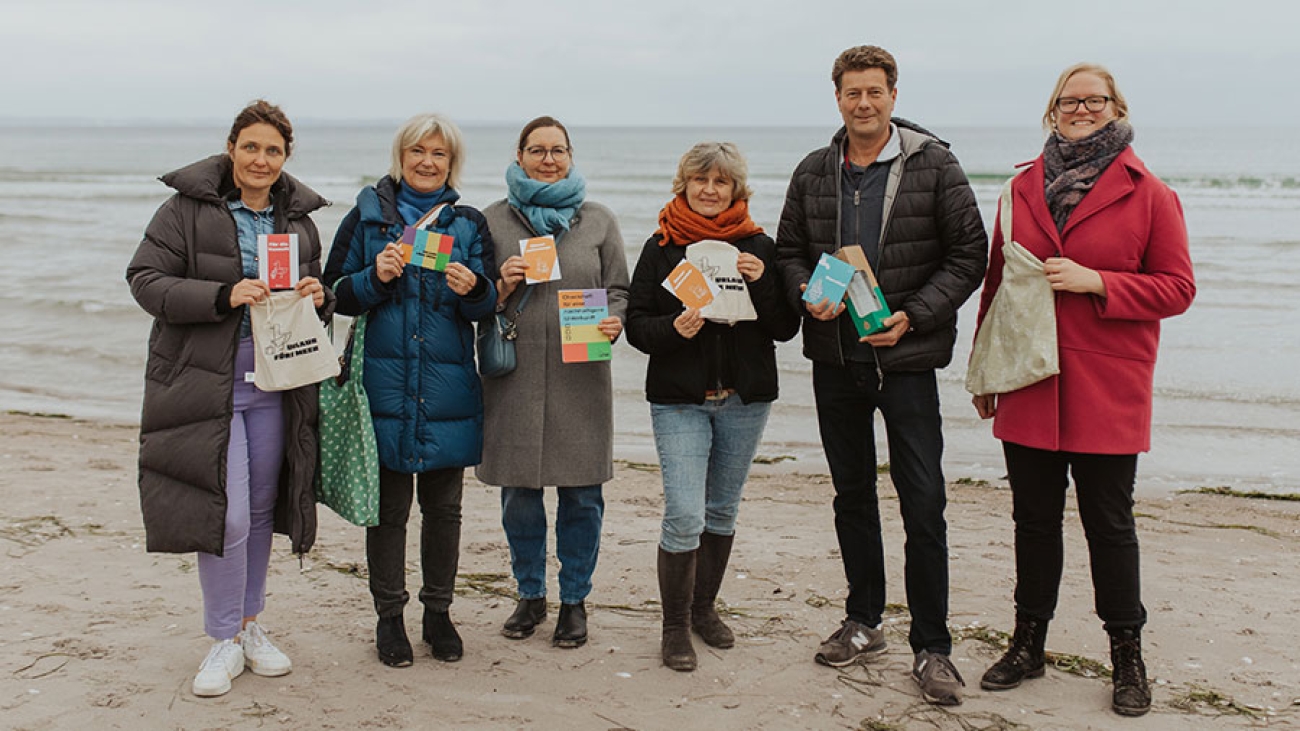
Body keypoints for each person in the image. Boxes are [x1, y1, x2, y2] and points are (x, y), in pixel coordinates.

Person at [972, 63, 1195, 717]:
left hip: (1108, 383)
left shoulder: (1150, 192)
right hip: (1029, 380)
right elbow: (997, 284)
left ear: (1115, 107)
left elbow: (1177, 288)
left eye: (1093, 100)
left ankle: (1127, 653)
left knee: (1110, 524)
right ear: (1052, 111)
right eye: (1068, 101)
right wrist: (985, 370)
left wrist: (1099, 282)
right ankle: (1027, 643)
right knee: (1033, 522)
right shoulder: (1019, 189)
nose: (1080, 109)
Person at [774, 45, 987, 706]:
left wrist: (914, 315)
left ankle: (934, 646)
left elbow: (969, 253)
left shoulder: (935, 165)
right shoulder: (815, 171)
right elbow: (787, 251)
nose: (863, 103)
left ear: (893, 95)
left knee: (923, 502)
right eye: (851, 93)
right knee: (852, 497)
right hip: (835, 361)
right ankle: (864, 621)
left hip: (907, 361)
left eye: (874, 91)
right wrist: (807, 290)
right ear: (836, 98)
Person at [126, 100, 331, 698]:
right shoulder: (184, 211)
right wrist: (223, 294)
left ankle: (249, 627)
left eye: (272, 150)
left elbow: (312, 303)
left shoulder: (299, 223)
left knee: (264, 510)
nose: (261, 159)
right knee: (229, 513)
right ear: (232, 149)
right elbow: (145, 281)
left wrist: (319, 297)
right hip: (203, 381)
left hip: (277, 380)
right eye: (251, 147)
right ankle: (220, 638)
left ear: (285, 156)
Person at [323, 113, 497, 667]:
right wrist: (375, 275)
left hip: (447, 389)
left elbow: (489, 305)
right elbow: (333, 294)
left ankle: (439, 613)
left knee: (445, 509)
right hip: (384, 388)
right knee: (389, 511)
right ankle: (390, 618)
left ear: (452, 163)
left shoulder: (467, 223)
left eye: (439, 154)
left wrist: (474, 288)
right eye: (418, 151)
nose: (427, 161)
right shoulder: (368, 218)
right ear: (400, 157)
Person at [626, 142, 800, 671]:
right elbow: (635, 325)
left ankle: (704, 610)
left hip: (744, 401)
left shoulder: (759, 246)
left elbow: (785, 328)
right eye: (700, 181)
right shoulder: (662, 246)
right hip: (680, 402)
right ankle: (674, 626)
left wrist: (763, 281)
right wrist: (672, 329)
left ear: (736, 190)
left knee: (721, 510)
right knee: (684, 514)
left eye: (720, 182)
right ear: (684, 186)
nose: (709, 190)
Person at [477, 116, 629, 649]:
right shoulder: (491, 222)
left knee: (583, 495)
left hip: (581, 375)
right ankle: (530, 594)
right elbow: (469, 297)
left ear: (570, 156)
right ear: (519, 156)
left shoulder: (600, 221)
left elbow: (620, 291)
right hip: (513, 376)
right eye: (537, 150)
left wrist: (615, 319)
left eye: (557, 150)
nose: (548, 159)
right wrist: (499, 284)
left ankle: (575, 602)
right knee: (519, 494)